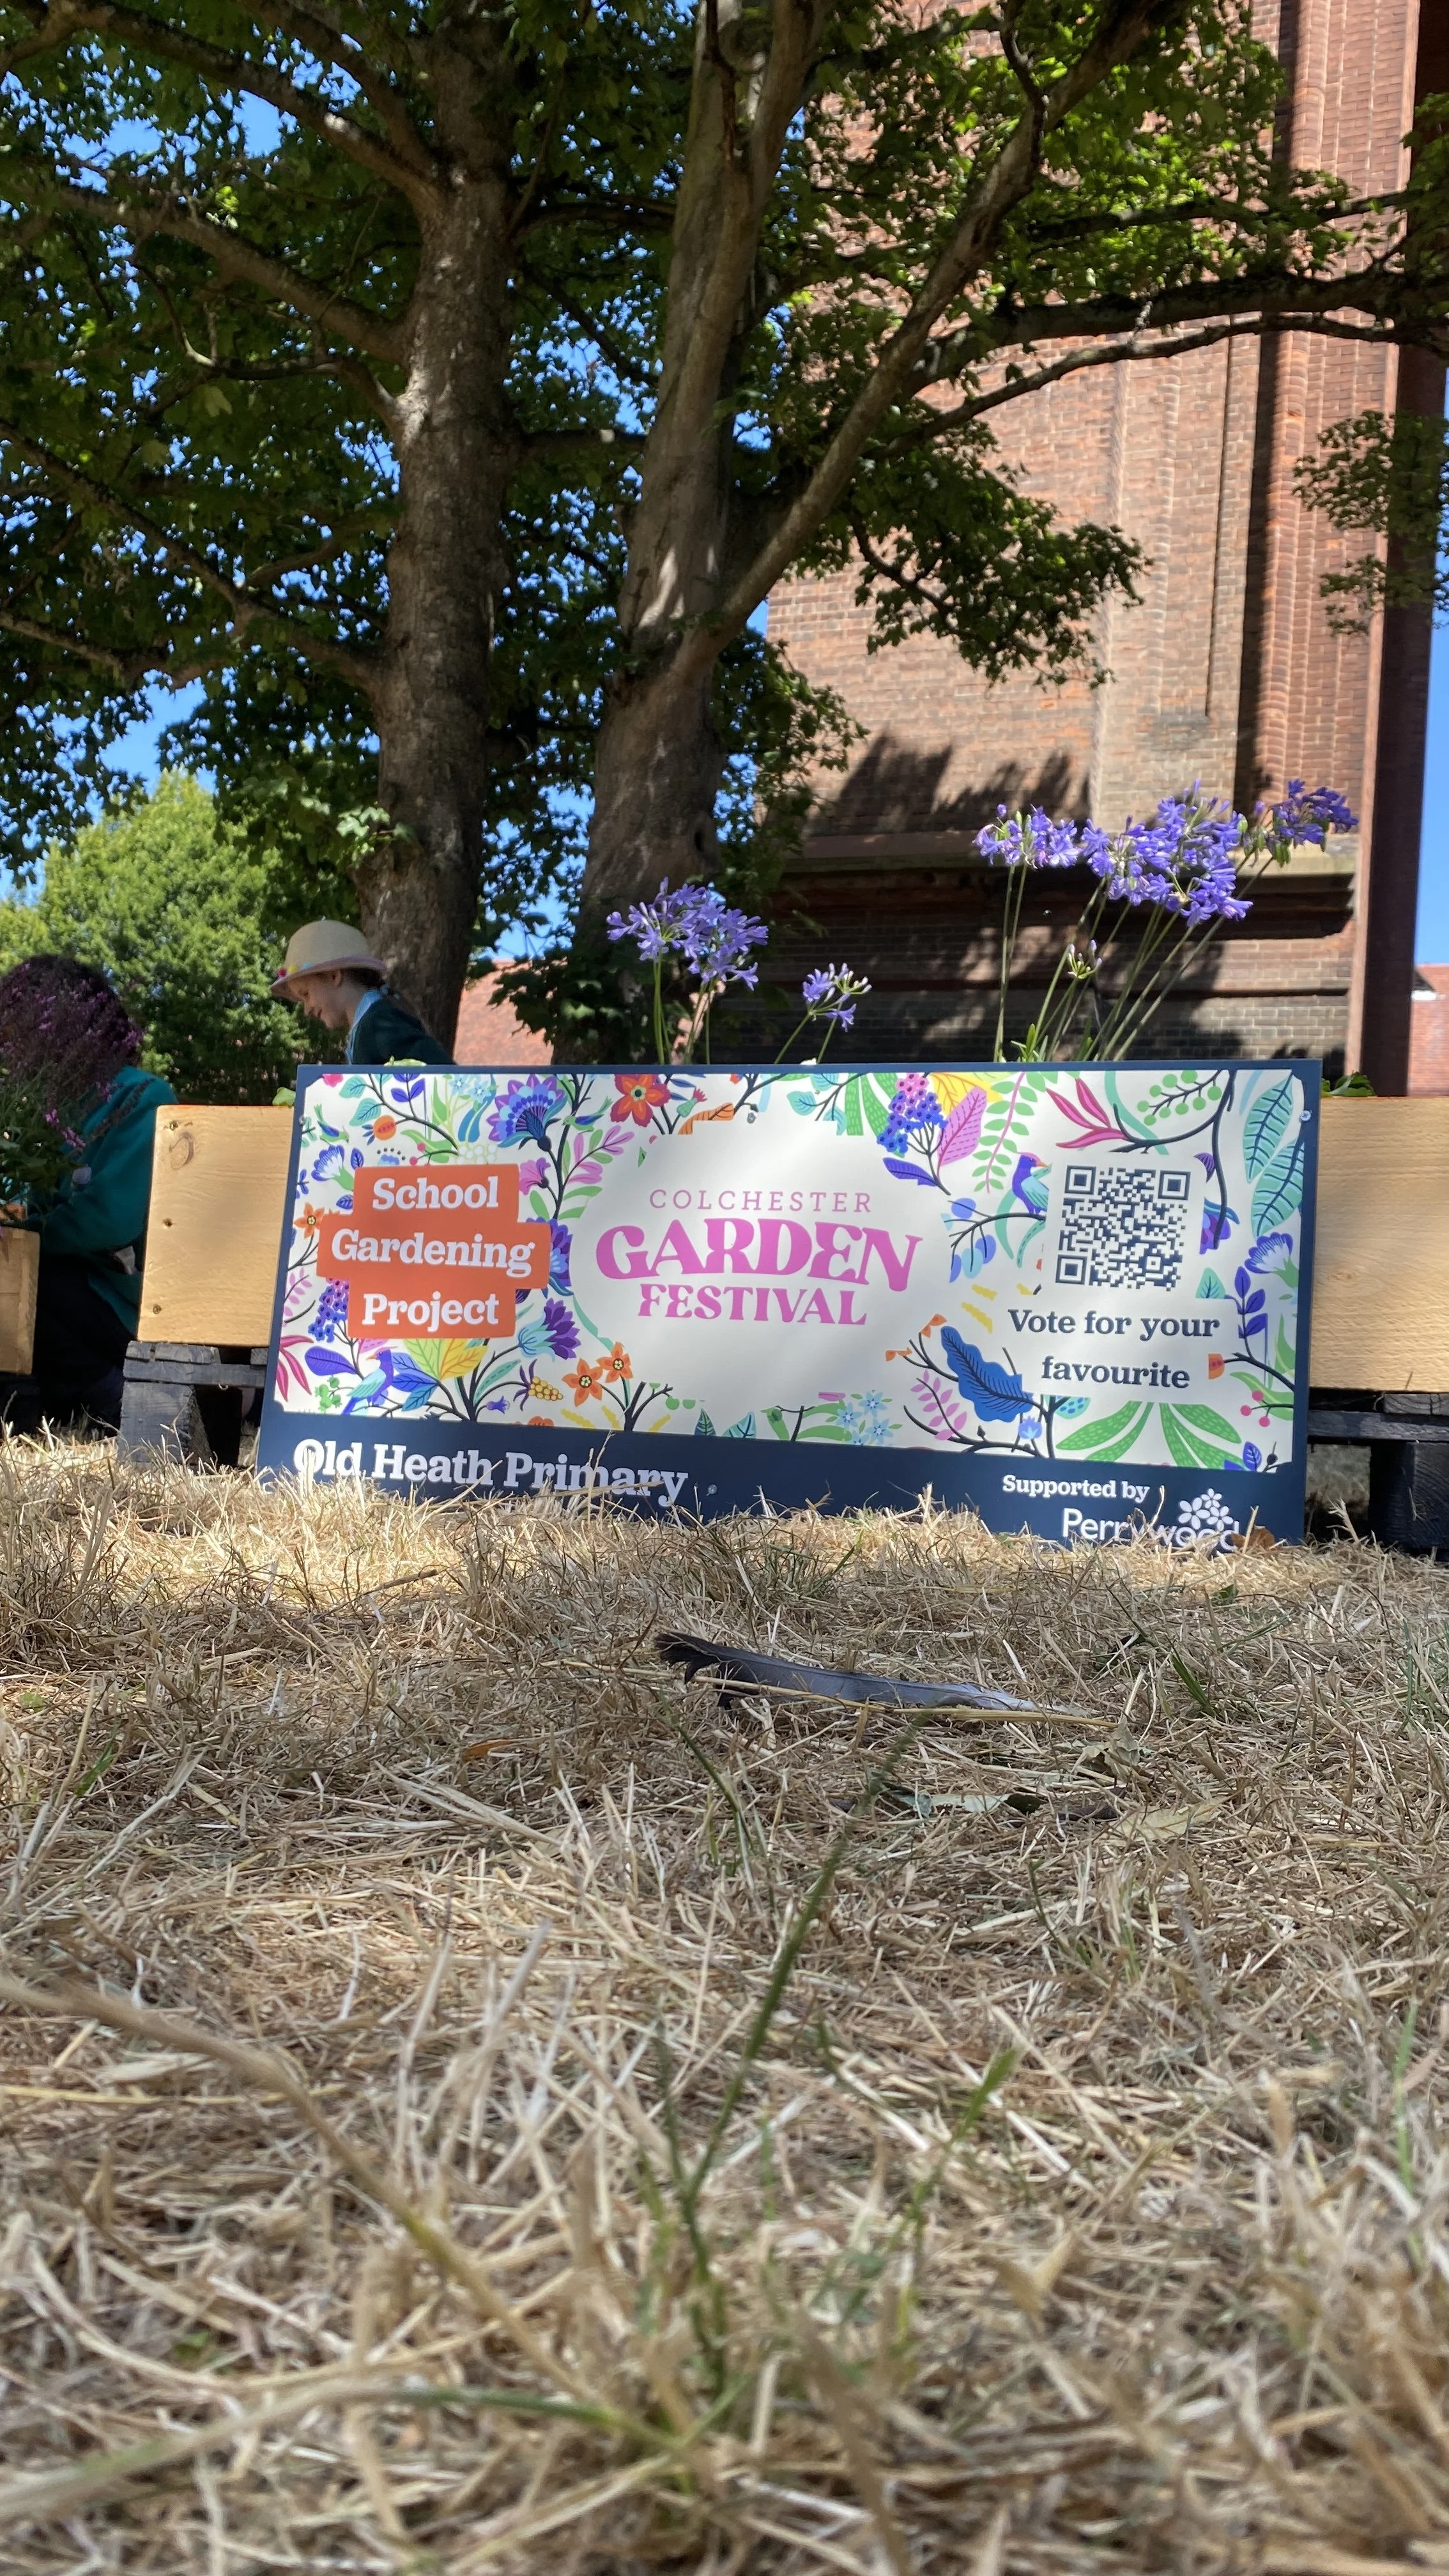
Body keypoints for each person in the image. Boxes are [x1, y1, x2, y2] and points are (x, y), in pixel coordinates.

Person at [0, 957, 176, 1436]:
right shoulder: (41, 1104)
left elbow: (110, 1219)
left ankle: (113, 1402)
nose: (12, 1043)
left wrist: (20, 1236)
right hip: (62, 1288)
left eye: (18, 1027)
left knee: (35, 1281)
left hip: (114, 1297)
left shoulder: (143, 1097)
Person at [274, 921, 453, 1065]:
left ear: (334, 976)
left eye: (306, 994)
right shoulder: (367, 1026)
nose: (307, 1010)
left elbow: (444, 1074)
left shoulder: (378, 1023)